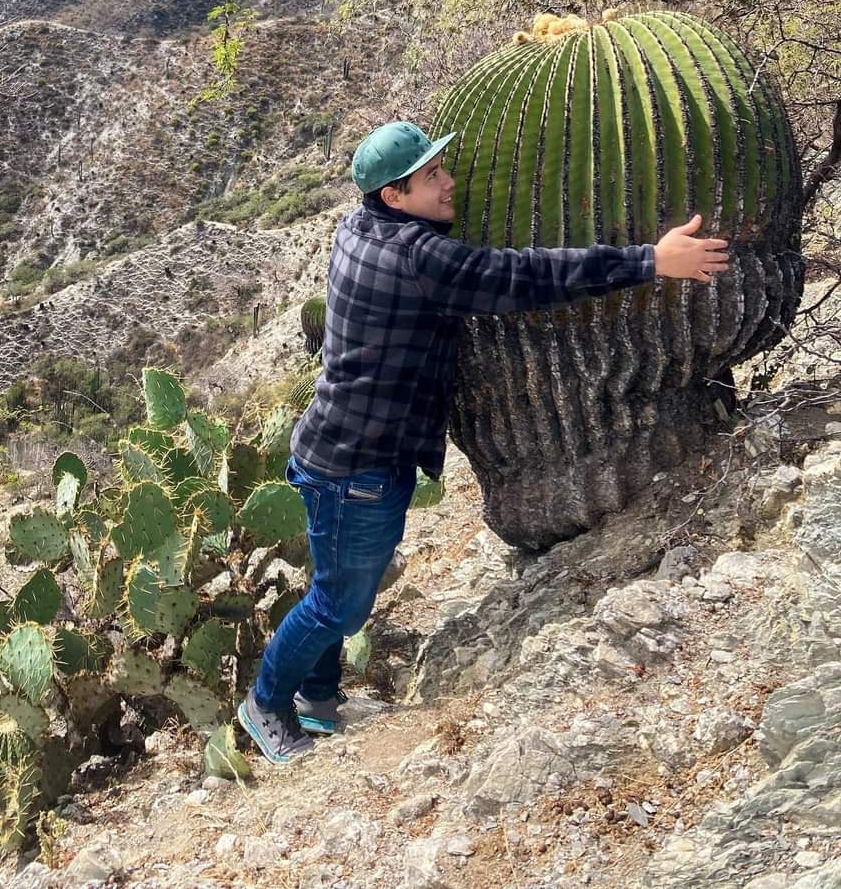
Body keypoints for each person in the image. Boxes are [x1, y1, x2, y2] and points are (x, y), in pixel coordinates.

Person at [237, 120, 730, 764]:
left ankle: (319, 702)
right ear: (394, 197)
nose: (448, 183)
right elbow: (521, 278)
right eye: (431, 177)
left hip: (339, 449)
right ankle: (266, 705)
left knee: (336, 585)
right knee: (339, 600)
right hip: (355, 464)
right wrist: (653, 260)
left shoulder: (357, 227)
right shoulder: (419, 257)